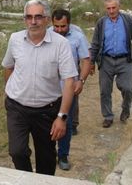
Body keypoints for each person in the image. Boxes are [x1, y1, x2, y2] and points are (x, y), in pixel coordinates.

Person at [2, 0, 78, 175]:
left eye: (38, 17)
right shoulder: (15, 39)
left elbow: (69, 81)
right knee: (17, 152)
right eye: (29, 17)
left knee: (46, 161)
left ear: (47, 20)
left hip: (47, 111)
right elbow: (8, 67)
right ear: (24, 19)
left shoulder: (61, 44)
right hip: (17, 108)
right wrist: (12, 91)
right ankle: (28, 178)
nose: (33, 21)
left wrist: (62, 117)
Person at [89, 0, 132, 128]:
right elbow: (95, 43)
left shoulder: (127, 20)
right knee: (105, 90)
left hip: (124, 60)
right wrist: (92, 62)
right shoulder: (101, 23)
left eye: (113, 7)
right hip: (106, 60)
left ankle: (125, 111)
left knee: (127, 88)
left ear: (118, 7)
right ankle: (108, 116)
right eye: (108, 8)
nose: (111, 11)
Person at [51, 9, 91, 171]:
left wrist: (81, 81)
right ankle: (49, 153)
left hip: (69, 89)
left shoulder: (78, 37)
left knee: (65, 123)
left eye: (63, 26)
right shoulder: (47, 35)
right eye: (56, 26)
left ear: (69, 23)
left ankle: (63, 155)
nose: (59, 30)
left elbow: (86, 60)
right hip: (49, 90)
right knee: (47, 122)